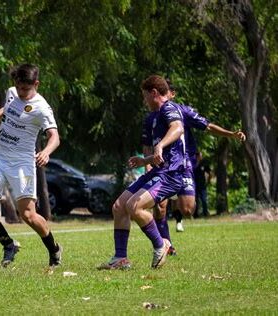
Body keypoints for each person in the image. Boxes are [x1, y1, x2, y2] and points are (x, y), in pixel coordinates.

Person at [0, 63, 62, 268]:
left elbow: (54, 137)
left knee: (28, 215)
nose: (21, 92)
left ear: (36, 84)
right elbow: (8, 110)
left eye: (25, 89)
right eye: (18, 87)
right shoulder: (12, 93)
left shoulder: (42, 107)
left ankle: (54, 248)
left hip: (23, 164)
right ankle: (8, 244)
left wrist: (46, 152)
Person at [146, 80, 246, 255]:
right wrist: (147, 163)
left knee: (187, 209)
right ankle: (167, 245)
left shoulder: (182, 111)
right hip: (162, 166)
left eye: (168, 91)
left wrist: (230, 134)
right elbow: (147, 145)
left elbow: (207, 126)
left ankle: (176, 207)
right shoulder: (150, 118)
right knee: (160, 206)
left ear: (172, 94)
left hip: (183, 165)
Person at [98, 74, 185, 270]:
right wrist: (145, 160)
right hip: (159, 170)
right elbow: (165, 152)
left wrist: (160, 145)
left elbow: (178, 128)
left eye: (145, 96)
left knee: (134, 207)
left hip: (170, 174)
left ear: (154, 93)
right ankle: (120, 258)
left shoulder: (168, 108)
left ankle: (161, 244)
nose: (144, 101)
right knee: (119, 206)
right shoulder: (156, 116)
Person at [194, 151, 211, 217]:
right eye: (199, 156)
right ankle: (196, 215)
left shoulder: (204, 163)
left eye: (201, 156)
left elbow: (209, 172)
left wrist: (208, 181)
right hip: (195, 184)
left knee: (204, 199)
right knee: (195, 200)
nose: (200, 157)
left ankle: (205, 213)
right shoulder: (193, 163)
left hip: (202, 185)